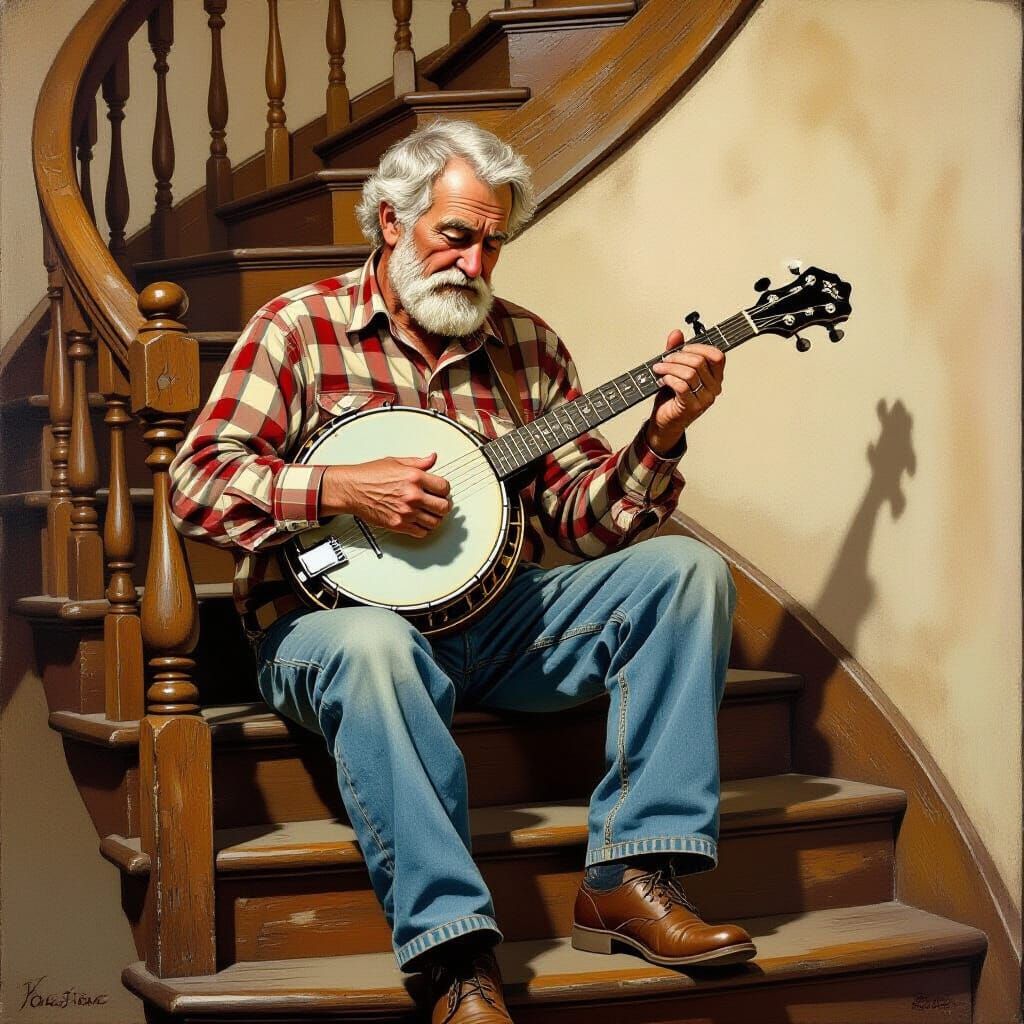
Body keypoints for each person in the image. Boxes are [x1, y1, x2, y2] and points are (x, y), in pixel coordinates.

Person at [169, 119, 754, 1024]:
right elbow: (196, 483)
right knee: (373, 643)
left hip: (499, 621)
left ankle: (633, 877)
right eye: (456, 235)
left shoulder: (528, 347)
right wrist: (336, 488)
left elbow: (584, 523)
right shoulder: (298, 327)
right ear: (391, 221)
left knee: (686, 573)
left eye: (493, 243)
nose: (475, 264)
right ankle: (455, 959)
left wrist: (661, 433)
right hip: (332, 630)